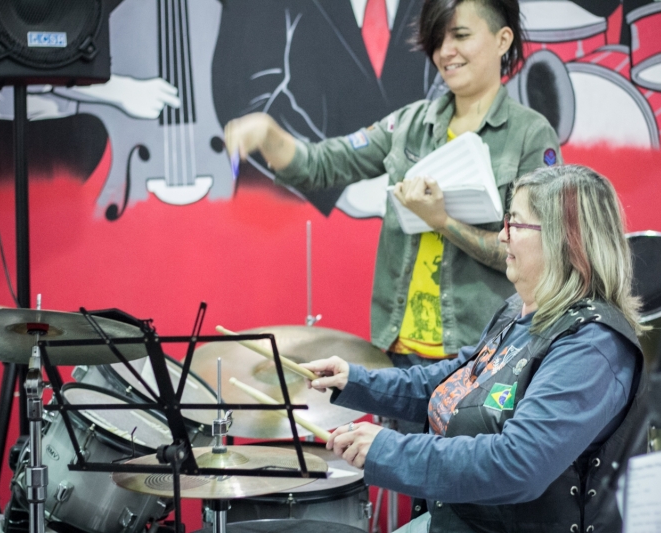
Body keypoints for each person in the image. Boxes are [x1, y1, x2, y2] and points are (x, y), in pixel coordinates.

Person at [224, 0, 562, 379]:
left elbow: (534, 252)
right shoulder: (407, 124)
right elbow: (322, 165)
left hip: (478, 358)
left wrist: (443, 221)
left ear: (503, 40)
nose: (445, 51)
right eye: (437, 41)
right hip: (395, 355)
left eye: (460, 36)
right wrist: (269, 134)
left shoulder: (531, 135)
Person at [303, 165, 648, 533]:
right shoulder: (518, 310)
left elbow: (518, 465)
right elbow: (450, 384)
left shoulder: (593, 348)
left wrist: (389, 450)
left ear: (566, 240)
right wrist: (354, 381)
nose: (502, 237)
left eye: (515, 224)